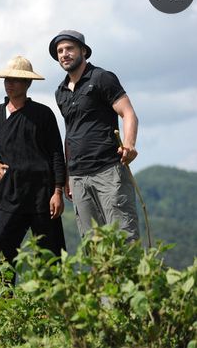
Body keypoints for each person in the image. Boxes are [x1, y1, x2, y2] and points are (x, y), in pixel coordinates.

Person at [0, 56, 66, 287]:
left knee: (48, 251)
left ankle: (52, 304)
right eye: (7, 79)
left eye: (16, 80)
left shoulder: (42, 114)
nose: (9, 84)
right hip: (9, 190)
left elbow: (56, 154)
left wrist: (58, 191)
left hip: (43, 193)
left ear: (27, 84)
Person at [49, 30, 140, 242]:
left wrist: (129, 144)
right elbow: (70, 133)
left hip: (108, 170)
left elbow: (128, 113)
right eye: (60, 51)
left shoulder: (101, 78)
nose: (64, 54)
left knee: (123, 238)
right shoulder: (60, 92)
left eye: (69, 48)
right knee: (93, 244)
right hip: (78, 176)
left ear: (83, 51)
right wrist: (67, 176)